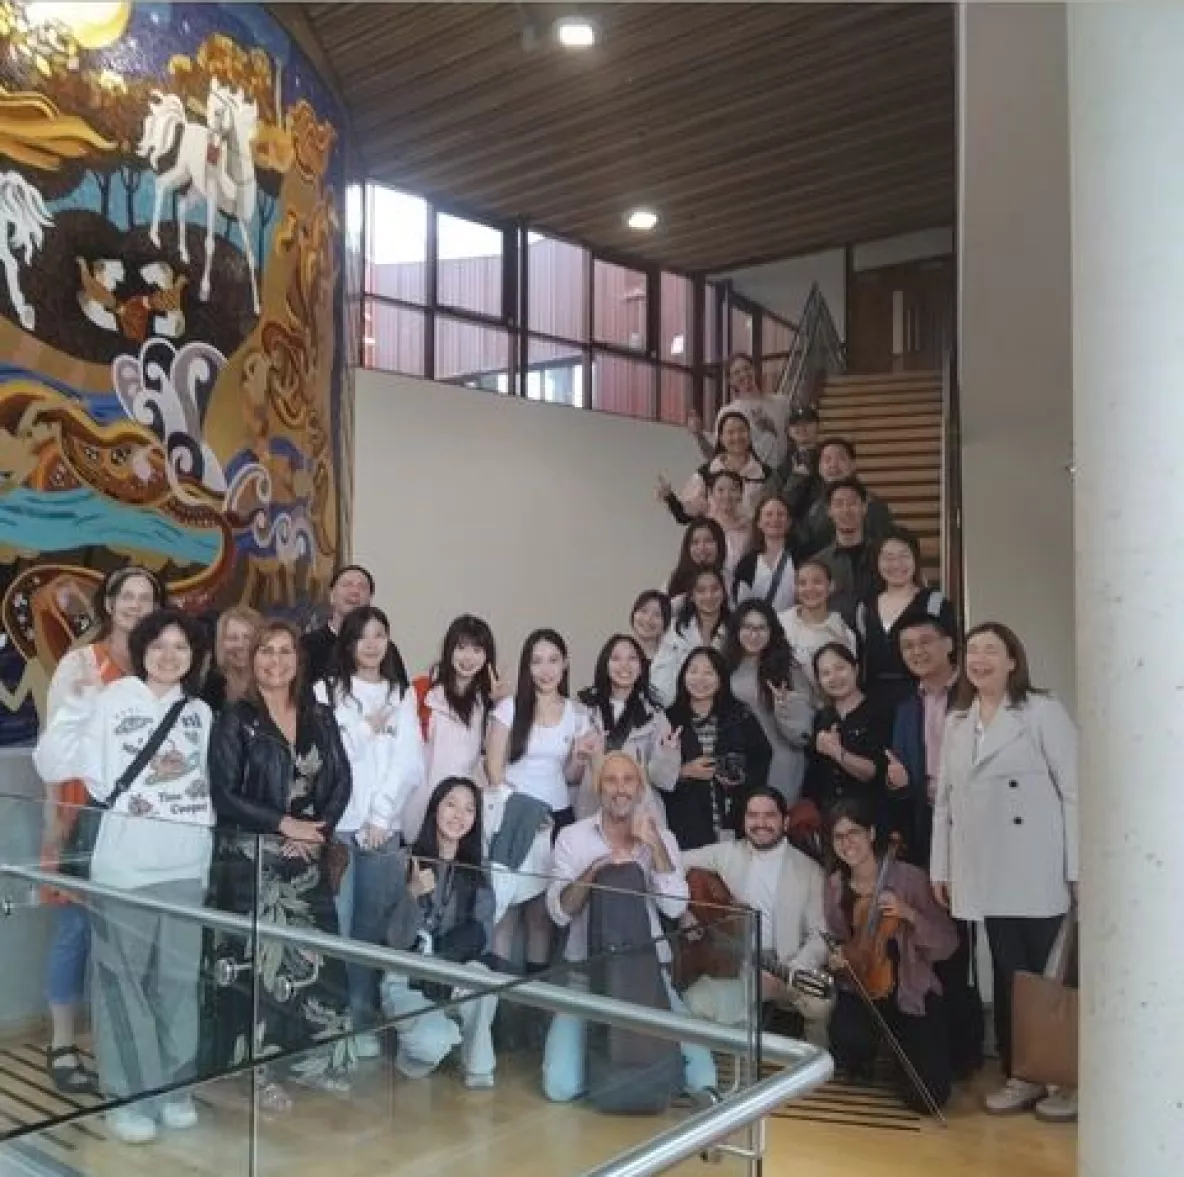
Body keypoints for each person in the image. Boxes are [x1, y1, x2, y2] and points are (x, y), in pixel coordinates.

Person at [34, 608, 214, 1143]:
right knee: (121, 985)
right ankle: (126, 1096)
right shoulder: (111, 701)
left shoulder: (200, 713)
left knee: (180, 985)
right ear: (141, 650)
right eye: (158, 644)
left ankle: (173, 1088)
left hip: (187, 868)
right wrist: (79, 702)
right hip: (125, 870)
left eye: (181, 646)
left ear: (193, 656)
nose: (169, 655)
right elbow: (52, 762)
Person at [930, 622, 1078, 1118]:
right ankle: (1023, 1074)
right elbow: (944, 805)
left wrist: (1078, 867)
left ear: (1013, 660)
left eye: (991, 650)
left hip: (1038, 869)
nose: (980, 659)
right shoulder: (957, 723)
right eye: (972, 651)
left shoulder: (1042, 711)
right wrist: (941, 868)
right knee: (1010, 976)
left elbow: (1075, 790)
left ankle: (1066, 1077)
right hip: (984, 870)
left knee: (1049, 978)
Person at [208, 619, 355, 1110]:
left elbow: (341, 781)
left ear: (299, 659)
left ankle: (317, 1063)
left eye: (285, 651)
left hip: (308, 858)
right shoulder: (237, 718)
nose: (275, 661)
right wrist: (282, 825)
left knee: (317, 963)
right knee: (263, 967)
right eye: (265, 651)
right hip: (254, 864)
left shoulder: (321, 716)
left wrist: (317, 832)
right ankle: (257, 1072)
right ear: (252, 660)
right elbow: (224, 795)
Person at [37, 565, 164, 1096]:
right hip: (83, 813)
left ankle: (111, 1044)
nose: (135, 604)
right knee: (76, 932)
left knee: (127, 938)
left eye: (145, 596)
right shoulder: (82, 662)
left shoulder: (163, 662)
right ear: (108, 603)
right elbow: (56, 742)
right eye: (126, 594)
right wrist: (55, 825)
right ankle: (62, 1042)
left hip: (140, 823)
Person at [542, 752, 717, 1102]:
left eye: (628, 780)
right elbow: (559, 912)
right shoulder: (572, 838)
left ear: (639, 789)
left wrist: (653, 846)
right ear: (598, 788)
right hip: (586, 975)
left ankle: (636, 1072)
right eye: (611, 780)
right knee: (559, 1086)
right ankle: (618, 1073)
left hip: (648, 974)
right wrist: (597, 872)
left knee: (702, 1079)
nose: (619, 789)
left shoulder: (662, 837)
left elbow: (675, 906)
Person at [315, 606, 424, 1056]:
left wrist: (382, 817)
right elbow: (327, 755)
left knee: (372, 931)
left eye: (381, 634)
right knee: (338, 929)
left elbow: (409, 762)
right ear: (349, 642)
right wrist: (364, 729)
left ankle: (362, 1021)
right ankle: (335, 1024)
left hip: (384, 830)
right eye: (363, 635)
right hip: (339, 828)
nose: (373, 643)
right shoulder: (326, 690)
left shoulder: (402, 693)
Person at [887, 616, 984, 1081]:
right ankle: (951, 1048)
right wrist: (903, 785)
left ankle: (978, 1046)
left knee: (973, 936)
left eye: (926, 642)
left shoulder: (973, 696)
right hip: (928, 829)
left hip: (976, 829)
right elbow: (904, 777)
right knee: (942, 935)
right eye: (907, 646)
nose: (918, 651)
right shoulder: (907, 707)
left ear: (949, 644)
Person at [825, 800, 957, 1115]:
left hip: (910, 992)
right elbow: (839, 940)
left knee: (929, 1096)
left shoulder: (910, 879)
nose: (847, 843)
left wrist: (909, 914)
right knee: (846, 1044)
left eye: (854, 832)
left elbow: (947, 943)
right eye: (838, 836)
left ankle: (900, 1058)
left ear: (871, 834)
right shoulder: (834, 886)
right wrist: (838, 958)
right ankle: (872, 1053)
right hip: (862, 989)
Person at [486, 629, 599, 972]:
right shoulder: (508, 709)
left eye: (553, 660)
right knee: (505, 910)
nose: (545, 669)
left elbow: (570, 776)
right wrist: (522, 810)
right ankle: (495, 1001)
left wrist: (580, 756)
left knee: (541, 916)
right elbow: (493, 769)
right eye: (537, 661)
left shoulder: (577, 714)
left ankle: (533, 1003)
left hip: (556, 819)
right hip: (513, 817)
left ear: (565, 664)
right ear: (527, 667)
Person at [680, 787, 831, 1044]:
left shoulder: (809, 870)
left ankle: (813, 1071)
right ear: (744, 820)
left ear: (784, 821)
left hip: (787, 966)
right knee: (694, 1003)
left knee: (820, 1003)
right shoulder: (727, 853)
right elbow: (674, 861)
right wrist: (682, 909)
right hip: (740, 965)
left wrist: (792, 970)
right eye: (753, 815)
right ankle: (729, 1073)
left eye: (769, 816)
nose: (760, 823)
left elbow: (820, 936)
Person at [380, 777, 499, 1089]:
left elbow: (482, 932)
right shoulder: (404, 860)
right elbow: (394, 941)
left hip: (452, 970)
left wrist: (445, 967)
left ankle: (478, 1071)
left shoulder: (478, 869)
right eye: (451, 804)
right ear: (435, 808)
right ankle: (440, 1037)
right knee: (432, 1044)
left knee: (484, 982)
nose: (459, 815)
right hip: (406, 977)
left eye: (469, 809)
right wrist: (412, 894)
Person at [649, 647, 772, 850]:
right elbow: (654, 773)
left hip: (735, 817)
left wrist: (740, 777)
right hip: (686, 821)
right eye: (693, 671)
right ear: (683, 676)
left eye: (708, 672)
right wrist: (683, 772)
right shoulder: (669, 719)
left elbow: (762, 757)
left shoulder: (739, 715)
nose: (700, 679)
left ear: (720, 677)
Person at [722, 602, 814, 803]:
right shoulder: (726, 665)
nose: (753, 635)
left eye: (761, 628)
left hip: (780, 762)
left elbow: (804, 733)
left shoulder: (788, 668)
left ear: (772, 631)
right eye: (747, 627)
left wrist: (786, 708)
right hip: (740, 763)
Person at [856, 531, 956, 707]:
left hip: (923, 697)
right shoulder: (865, 607)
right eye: (888, 557)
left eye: (904, 556)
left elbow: (951, 654)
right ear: (877, 563)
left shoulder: (935, 603)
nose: (896, 564)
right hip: (874, 700)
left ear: (915, 559)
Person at [574, 634, 665, 820]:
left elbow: (664, 779)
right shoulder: (583, 708)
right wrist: (581, 755)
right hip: (592, 807)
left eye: (632, 658)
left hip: (639, 810)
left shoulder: (654, 714)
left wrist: (669, 753)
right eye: (616, 658)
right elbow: (571, 772)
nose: (624, 665)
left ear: (641, 667)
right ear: (605, 665)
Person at [803, 644, 891, 820]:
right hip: (829, 816)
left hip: (868, 816)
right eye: (825, 673)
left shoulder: (879, 711)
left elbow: (874, 772)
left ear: (856, 669)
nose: (834, 677)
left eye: (840, 668)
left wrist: (837, 752)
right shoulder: (822, 717)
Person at [688, 351, 792, 469]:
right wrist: (699, 435)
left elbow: (793, 440)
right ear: (730, 381)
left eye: (747, 368)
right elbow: (716, 456)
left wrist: (770, 427)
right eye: (736, 373)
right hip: (749, 479)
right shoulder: (727, 412)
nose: (743, 374)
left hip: (783, 477)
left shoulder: (781, 402)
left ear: (755, 370)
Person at [661, 411, 770, 521]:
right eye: (730, 432)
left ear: (749, 435)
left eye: (741, 431)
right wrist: (670, 497)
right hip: (715, 536)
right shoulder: (706, 472)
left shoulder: (765, 473)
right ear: (721, 438)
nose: (737, 437)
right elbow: (684, 517)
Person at [795, 439, 895, 557]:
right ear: (820, 469)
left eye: (840, 459)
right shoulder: (814, 505)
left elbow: (883, 545)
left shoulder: (872, 503)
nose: (833, 465)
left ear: (853, 465)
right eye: (827, 460)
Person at [778, 560, 857, 706]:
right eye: (802, 583)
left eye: (817, 582)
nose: (810, 589)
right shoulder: (780, 623)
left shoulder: (842, 633)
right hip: (786, 710)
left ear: (831, 586)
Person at [650, 568, 731, 708]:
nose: (709, 596)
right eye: (701, 590)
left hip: (724, 706)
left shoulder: (735, 629)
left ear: (724, 593)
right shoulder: (676, 629)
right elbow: (661, 671)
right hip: (680, 706)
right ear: (692, 596)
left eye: (715, 589)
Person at [815, 478, 878, 626]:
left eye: (852, 503)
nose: (846, 510)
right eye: (838, 504)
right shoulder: (818, 563)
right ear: (829, 511)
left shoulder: (883, 555)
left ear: (864, 508)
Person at [301, 564, 375, 686]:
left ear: (370, 600)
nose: (355, 591)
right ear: (332, 596)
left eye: (362, 587)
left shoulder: (381, 648)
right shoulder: (306, 645)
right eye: (347, 585)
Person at [733, 495, 796, 614]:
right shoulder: (747, 563)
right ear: (759, 523)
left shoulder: (800, 559)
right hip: (757, 629)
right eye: (769, 514)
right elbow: (741, 604)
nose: (775, 519)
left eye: (781, 514)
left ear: (789, 522)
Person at [201, 605, 262, 713]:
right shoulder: (211, 687)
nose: (241, 645)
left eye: (248, 637)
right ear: (221, 643)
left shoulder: (276, 683)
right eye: (233, 638)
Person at [766, 404, 822, 518]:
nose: (802, 428)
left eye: (807, 423)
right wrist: (797, 478)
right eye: (796, 425)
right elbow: (775, 501)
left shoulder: (829, 459)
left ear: (818, 426)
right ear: (789, 431)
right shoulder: (783, 465)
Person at [666, 519, 728, 607]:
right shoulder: (675, 581)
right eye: (695, 542)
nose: (701, 548)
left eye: (708, 541)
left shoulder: (733, 584)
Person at [628, 590, 672, 663]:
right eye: (643, 611)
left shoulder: (671, 659)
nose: (648, 619)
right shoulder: (615, 650)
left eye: (657, 615)